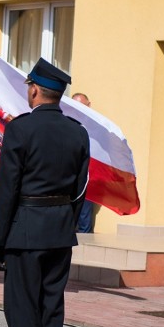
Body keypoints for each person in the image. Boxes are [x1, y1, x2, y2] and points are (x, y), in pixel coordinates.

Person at [0, 58, 89, 327]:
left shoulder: (21, 129)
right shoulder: (77, 131)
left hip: (26, 228)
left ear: (34, 89)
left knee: (22, 305)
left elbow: (7, 190)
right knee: (51, 304)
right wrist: (65, 220)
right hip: (60, 230)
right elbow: (80, 189)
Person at [72, 92, 95, 233]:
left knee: (84, 215)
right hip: (70, 174)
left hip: (87, 177)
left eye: (81, 105)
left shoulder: (95, 126)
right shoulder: (68, 123)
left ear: (89, 105)